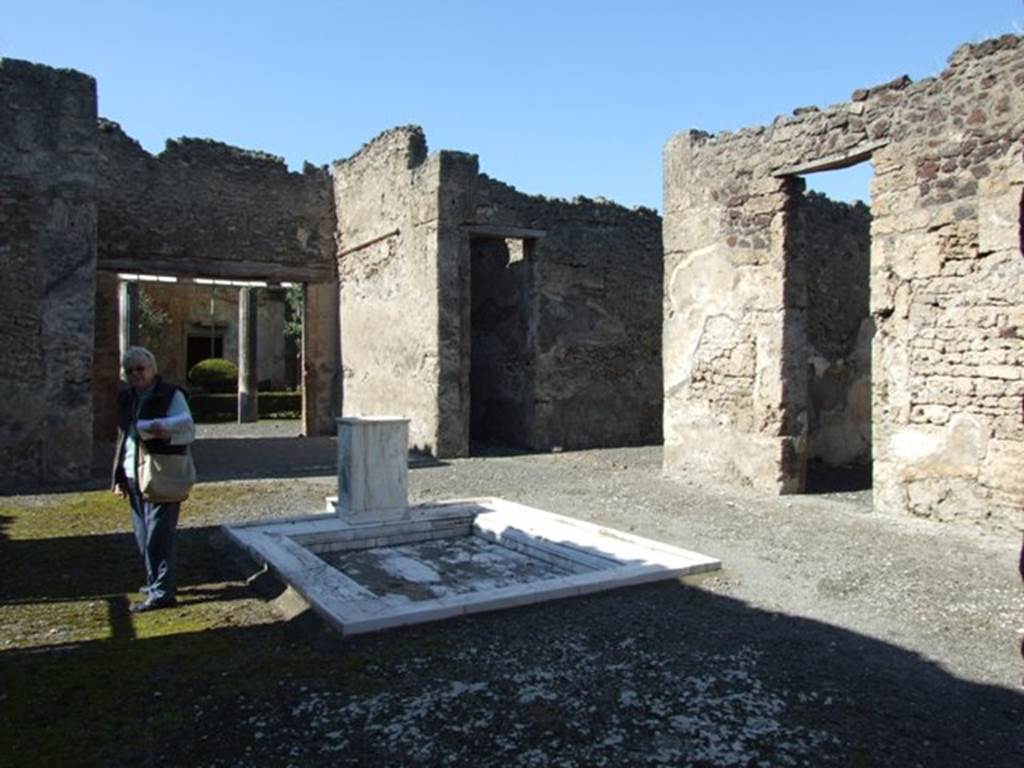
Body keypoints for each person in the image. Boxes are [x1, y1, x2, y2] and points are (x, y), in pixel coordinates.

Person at [111, 346, 195, 613]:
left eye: (141, 369)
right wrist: (118, 476)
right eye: (130, 370)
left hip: (162, 473)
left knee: (159, 536)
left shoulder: (171, 394)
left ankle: (162, 592)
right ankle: (155, 582)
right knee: (142, 534)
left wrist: (167, 435)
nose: (136, 374)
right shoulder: (127, 398)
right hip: (134, 473)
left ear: (153, 369)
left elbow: (189, 431)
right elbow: (123, 439)